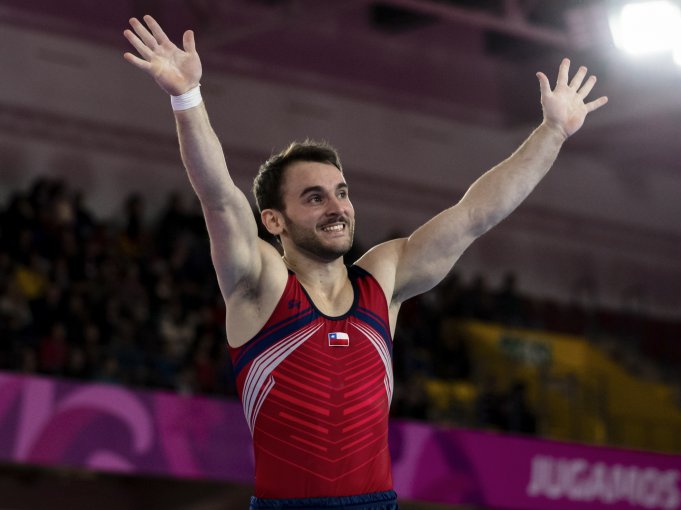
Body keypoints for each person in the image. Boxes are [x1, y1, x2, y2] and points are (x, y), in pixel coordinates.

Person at [123, 14, 607, 510]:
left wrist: (552, 132)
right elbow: (220, 198)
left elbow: (475, 215)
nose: (337, 208)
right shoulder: (260, 285)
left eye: (342, 193)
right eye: (314, 198)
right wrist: (187, 98)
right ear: (273, 220)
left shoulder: (384, 277)